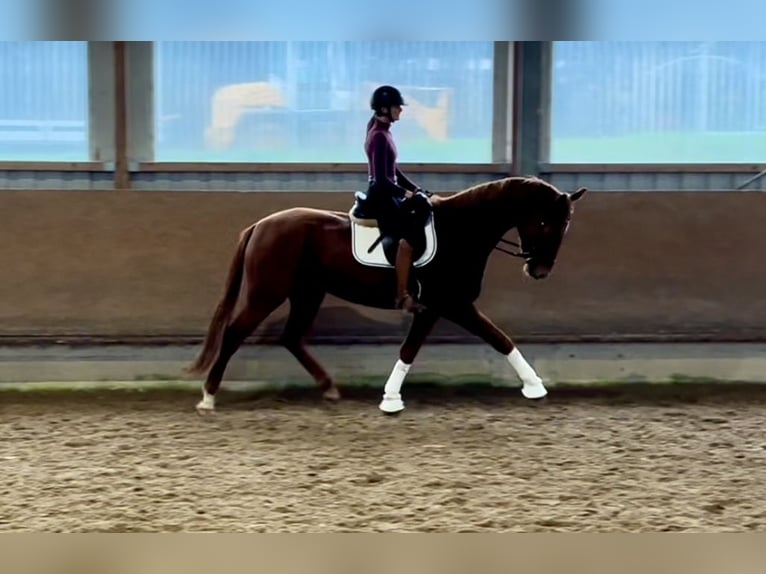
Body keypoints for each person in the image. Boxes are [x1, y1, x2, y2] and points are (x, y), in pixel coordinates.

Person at [364, 85, 431, 313]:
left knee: (422, 204)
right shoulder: (378, 136)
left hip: (387, 193)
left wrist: (417, 188)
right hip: (382, 198)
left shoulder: (384, 132)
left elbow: (394, 171)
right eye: (397, 106)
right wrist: (405, 194)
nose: (401, 110)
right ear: (384, 108)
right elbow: (382, 180)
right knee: (409, 237)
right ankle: (402, 294)